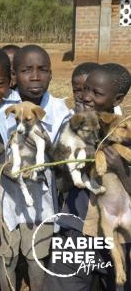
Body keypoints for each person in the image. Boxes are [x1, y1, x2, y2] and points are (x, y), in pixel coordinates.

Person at [0, 46, 70, 291]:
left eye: (42, 70)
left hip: (41, 201)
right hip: (4, 202)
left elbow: (59, 155)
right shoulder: (1, 107)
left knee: (37, 256)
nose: (35, 76)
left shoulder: (45, 108)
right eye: (27, 70)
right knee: (7, 256)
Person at [43, 63, 131, 291]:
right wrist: (75, 167)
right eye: (85, 89)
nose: (86, 97)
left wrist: (120, 170)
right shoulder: (71, 127)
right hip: (75, 230)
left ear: (118, 99)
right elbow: (60, 184)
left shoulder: (127, 133)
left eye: (97, 93)